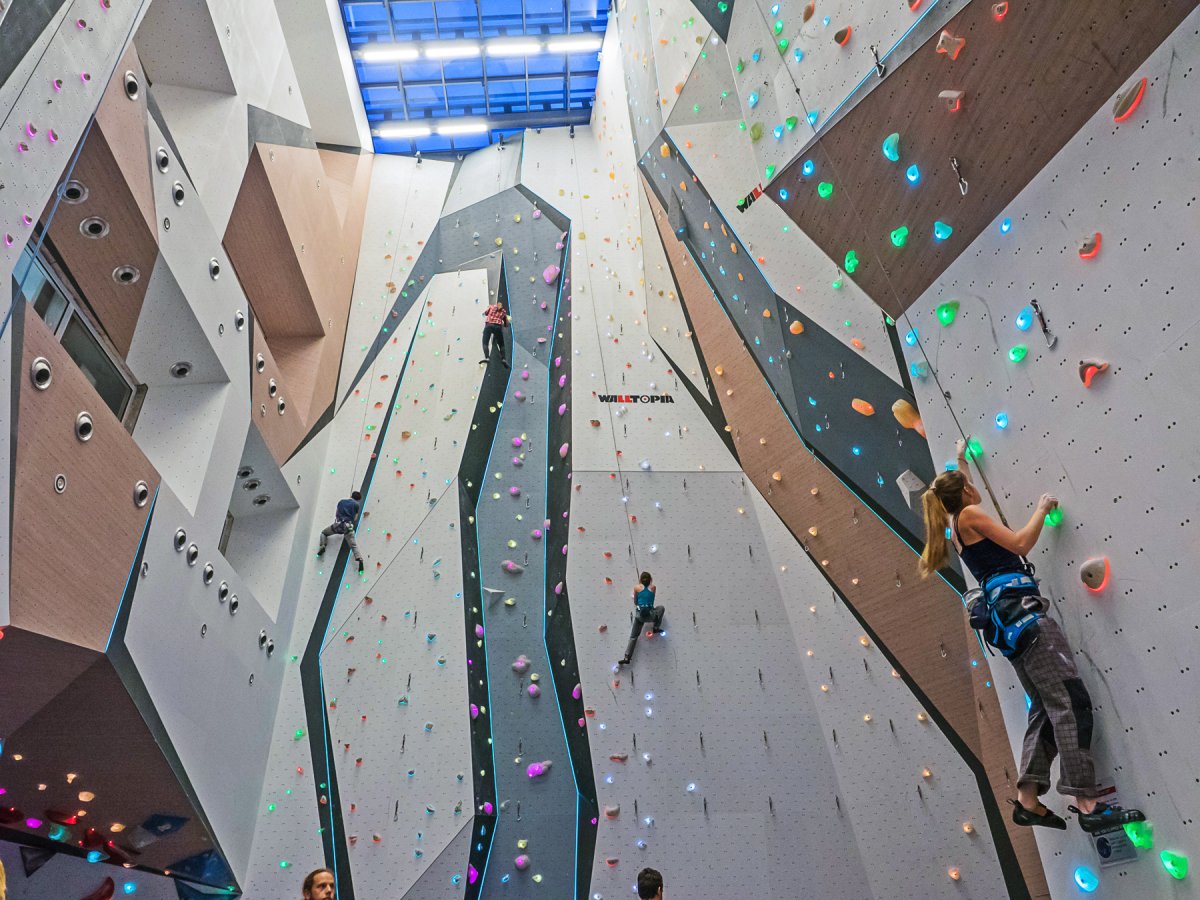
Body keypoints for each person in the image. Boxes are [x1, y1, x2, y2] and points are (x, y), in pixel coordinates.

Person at [919, 438, 1145, 835]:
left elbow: (962, 486)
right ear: (966, 494)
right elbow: (1021, 543)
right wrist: (1041, 509)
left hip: (1011, 628)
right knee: (1069, 702)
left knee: (1045, 706)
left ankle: (1028, 799)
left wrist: (959, 458)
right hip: (1028, 621)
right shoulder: (970, 515)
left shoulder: (956, 523)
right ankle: (1087, 801)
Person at [618, 572, 664, 666]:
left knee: (633, 636)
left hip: (640, 617)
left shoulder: (636, 588)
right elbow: (652, 600)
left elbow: (635, 602)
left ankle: (627, 657)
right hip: (650, 615)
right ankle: (655, 628)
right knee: (661, 608)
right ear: (650, 579)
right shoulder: (653, 587)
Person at [318, 491, 364, 574]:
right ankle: (359, 558)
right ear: (358, 500)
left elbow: (337, 513)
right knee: (353, 545)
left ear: (351, 495)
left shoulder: (341, 502)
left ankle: (323, 545)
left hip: (338, 525)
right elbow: (355, 518)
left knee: (324, 533)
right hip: (348, 526)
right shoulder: (356, 505)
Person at [481, 299, 510, 368]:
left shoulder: (491, 307)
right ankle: (503, 359)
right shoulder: (503, 312)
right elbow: (506, 324)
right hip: (498, 327)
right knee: (501, 344)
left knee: (485, 343)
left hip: (489, 325)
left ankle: (487, 358)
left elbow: (485, 313)